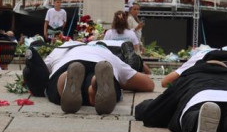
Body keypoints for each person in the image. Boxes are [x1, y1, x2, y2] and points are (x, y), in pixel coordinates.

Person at [23, 39, 153, 114]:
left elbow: (43, 73)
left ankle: (65, 81)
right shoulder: (109, 55)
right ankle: (93, 87)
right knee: (96, 80)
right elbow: (148, 84)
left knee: (56, 81)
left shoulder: (63, 47)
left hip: (68, 63)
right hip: (100, 64)